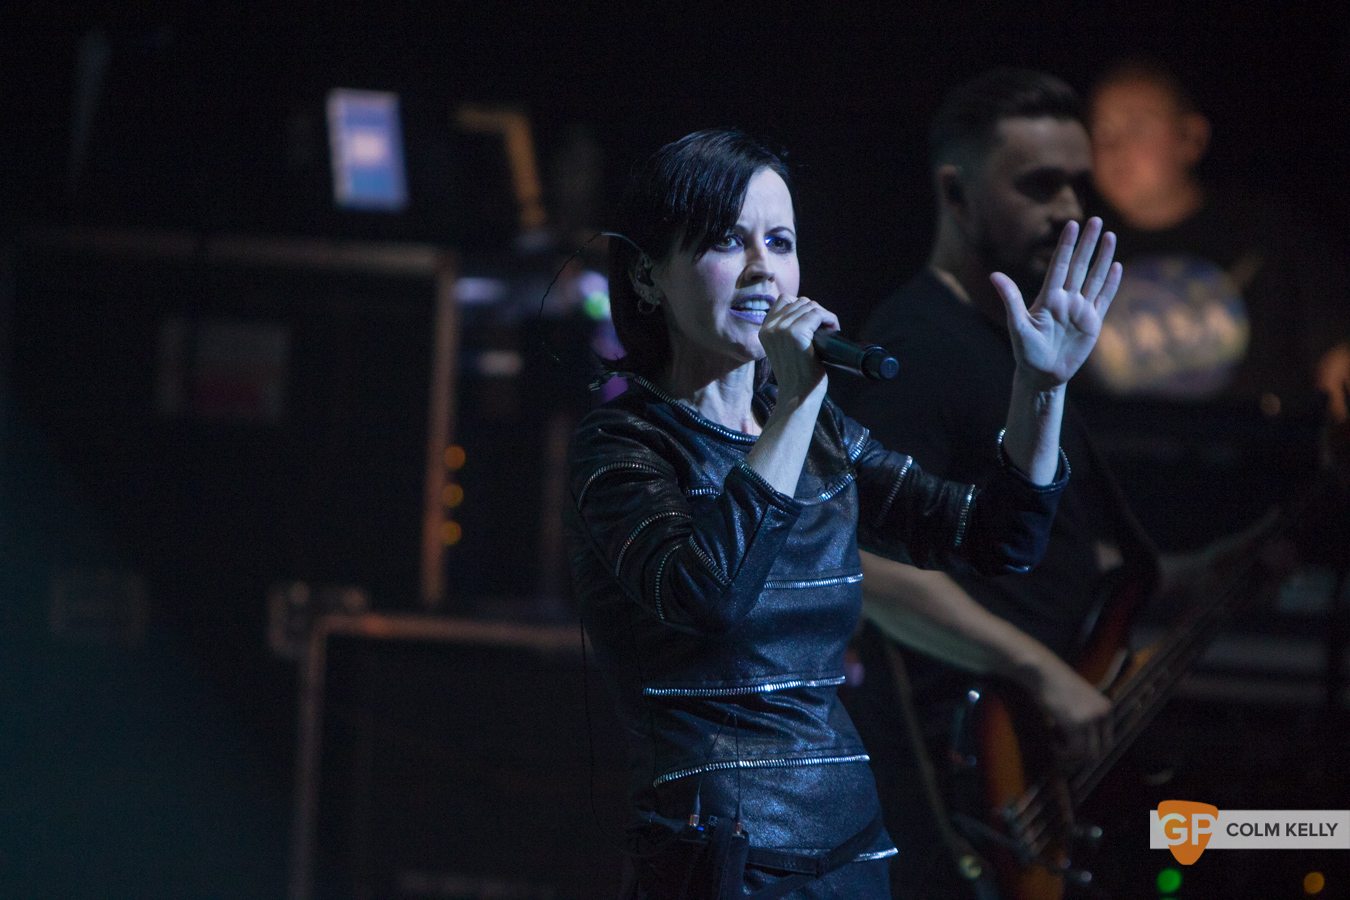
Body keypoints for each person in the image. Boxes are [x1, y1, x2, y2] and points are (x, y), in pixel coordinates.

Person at [565, 128, 1120, 898]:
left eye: (782, 241)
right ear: (649, 279)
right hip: (719, 859)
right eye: (730, 241)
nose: (765, 268)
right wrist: (794, 403)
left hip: (851, 848)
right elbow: (710, 596)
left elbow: (998, 537)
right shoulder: (624, 446)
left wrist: (1042, 387)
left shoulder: (819, 432)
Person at [835, 68, 1262, 899]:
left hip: (1034, 770)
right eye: (1039, 185)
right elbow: (866, 567)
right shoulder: (915, 347)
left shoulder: (1026, 348)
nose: (1069, 208)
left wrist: (1196, 577)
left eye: (1078, 183)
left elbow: (1039, 556)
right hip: (962, 781)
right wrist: (1042, 674)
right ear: (955, 194)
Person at [1087, 58, 1350, 415]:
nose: (1115, 147)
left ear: (1191, 138)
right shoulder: (1075, 248)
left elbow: (1336, 353)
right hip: (1119, 459)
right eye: (1102, 130)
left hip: (1251, 457)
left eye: (1139, 127)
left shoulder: (1266, 234)